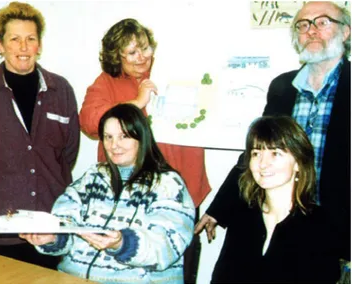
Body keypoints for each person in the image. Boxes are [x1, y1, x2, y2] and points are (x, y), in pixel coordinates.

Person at [196, 0, 350, 264]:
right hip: (275, 219)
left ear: (345, 32)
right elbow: (257, 153)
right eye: (303, 24)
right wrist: (220, 208)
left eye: (322, 22)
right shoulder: (282, 86)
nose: (311, 30)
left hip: (336, 226)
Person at [79, 18, 210, 283]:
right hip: (128, 196)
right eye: (132, 52)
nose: (142, 57)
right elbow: (89, 121)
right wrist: (136, 103)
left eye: (146, 48)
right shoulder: (107, 82)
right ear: (117, 56)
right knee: (129, 263)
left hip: (180, 190)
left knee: (177, 265)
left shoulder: (173, 74)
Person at [20, 103, 195, 284]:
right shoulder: (93, 176)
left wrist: (122, 244)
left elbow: (167, 245)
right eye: (108, 137)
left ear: (142, 138)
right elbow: (66, 219)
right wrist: (54, 237)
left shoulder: (167, 184)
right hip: (72, 278)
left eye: (123, 136)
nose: (114, 145)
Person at [0, 1, 80, 270]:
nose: (23, 47)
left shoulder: (61, 90)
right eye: (15, 39)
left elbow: (69, 152)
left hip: (51, 228)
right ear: (0, 44)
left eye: (30, 39)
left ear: (39, 45)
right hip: (2, 234)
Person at [211, 116, 341, 283]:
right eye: (256, 153)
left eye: (275, 153)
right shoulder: (243, 215)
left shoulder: (320, 224)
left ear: (298, 163)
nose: (263, 164)